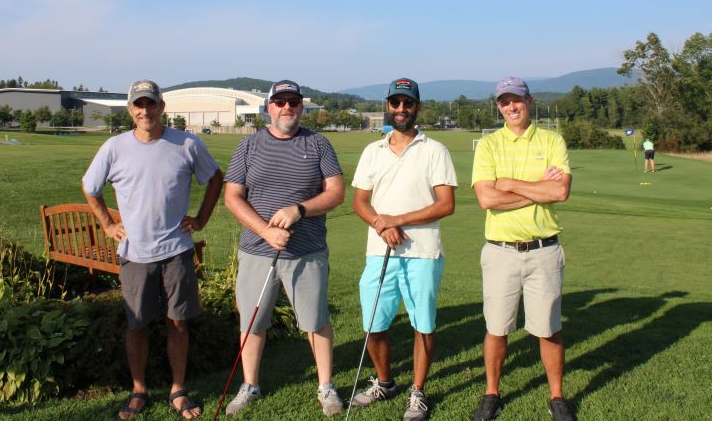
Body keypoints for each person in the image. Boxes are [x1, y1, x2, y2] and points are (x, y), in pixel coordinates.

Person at [82, 79, 224, 420]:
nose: (145, 111)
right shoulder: (114, 148)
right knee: (137, 325)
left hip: (176, 250)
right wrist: (106, 224)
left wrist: (201, 219)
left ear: (162, 107)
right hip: (135, 254)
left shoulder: (186, 143)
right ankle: (139, 390)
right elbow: (90, 187)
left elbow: (215, 178)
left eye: (151, 104)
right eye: (138, 105)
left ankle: (178, 390)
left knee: (177, 323)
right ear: (131, 110)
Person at [223, 80, 345, 417]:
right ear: (268, 108)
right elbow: (232, 196)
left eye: (293, 101)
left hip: (306, 252)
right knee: (252, 322)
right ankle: (249, 386)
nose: (287, 107)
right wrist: (265, 230)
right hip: (257, 251)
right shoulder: (248, 147)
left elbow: (335, 192)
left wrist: (300, 209)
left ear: (301, 107)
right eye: (280, 102)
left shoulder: (318, 144)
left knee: (315, 321)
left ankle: (326, 386)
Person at [350, 78, 457, 421]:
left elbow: (445, 204)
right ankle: (385, 382)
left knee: (422, 325)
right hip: (379, 252)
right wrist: (382, 223)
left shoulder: (434, 150)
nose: (400, 109)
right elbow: (360, 201)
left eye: (407, 103)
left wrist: (398, 219)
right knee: (373, 324)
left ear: (417, 108)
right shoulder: (373, 150)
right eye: (395, 103)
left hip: (422, 253)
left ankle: (418, 391)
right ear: (388, 106)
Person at [471, 77, 575, 421]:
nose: (511, 107)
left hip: (544, 249)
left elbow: (560, 193)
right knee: (497, 328)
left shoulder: (552, 139)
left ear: (529, 101)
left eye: (516, 100)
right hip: (500, 251)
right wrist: (538, 187)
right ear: (498, 106)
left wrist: (511, 184)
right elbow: (487, 198)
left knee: (549, 327)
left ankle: (557, 396)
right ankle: (491, 392)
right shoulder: (488, 145)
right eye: (504, 102)